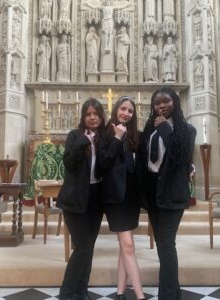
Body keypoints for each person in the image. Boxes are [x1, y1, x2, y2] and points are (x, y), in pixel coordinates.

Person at [137, 86, 196, 300]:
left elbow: (180, 158)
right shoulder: (150, 130)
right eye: (157, 103)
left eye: (166, 101)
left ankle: (168, 296)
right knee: (163, 246)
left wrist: (163, 129)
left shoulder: (187, 130)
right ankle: (174, 292)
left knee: (167, 244)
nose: (161, 106)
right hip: (154, 195)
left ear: (175, 103)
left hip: (172, 195)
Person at [57, 98, 106, 300]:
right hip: (75, 200)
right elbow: (68, 163)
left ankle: (81, 290)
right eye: (88, 114)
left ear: (102, 117)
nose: (92, 117)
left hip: (95, 200)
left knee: (88, 248)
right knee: (83, 247)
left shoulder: (105, 138)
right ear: (83, 117)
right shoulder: (75, 136)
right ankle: (67, 292)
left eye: (96, 114)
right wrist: (83, 142)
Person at [98, 96, 146, 300]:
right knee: (128, 245)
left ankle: (120, 291)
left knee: (124, 246)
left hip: (131, 198)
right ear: (116, 109)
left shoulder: (135, 136)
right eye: (123, 109)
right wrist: (117, 138)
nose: (126, 113)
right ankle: (140, 295)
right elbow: (103, 164)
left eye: (130, 111)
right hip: (114, 197)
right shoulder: (105, 133)